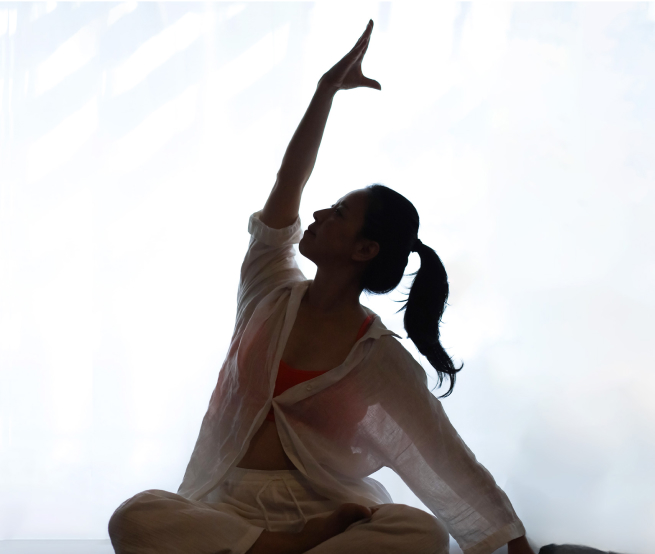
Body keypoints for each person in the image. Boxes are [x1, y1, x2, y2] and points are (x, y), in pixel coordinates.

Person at [108, 19, 535, 554]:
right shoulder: (269, 290)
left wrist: (516, 542)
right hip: (229, 507)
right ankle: (285, 548)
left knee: (422, 533)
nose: (318, 214)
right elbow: (288, 182)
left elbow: (445, 456)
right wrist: (324, 92)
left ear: (364, 250)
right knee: (136, 516)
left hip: (326, 508)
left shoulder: (378, 357)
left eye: (338, 213)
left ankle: (272, 549)